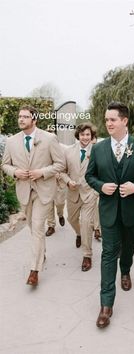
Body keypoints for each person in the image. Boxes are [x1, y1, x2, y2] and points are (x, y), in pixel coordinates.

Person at [85, 101, 134, 328]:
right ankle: (106, 304)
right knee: (108, 254)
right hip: (108, 211)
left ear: (124, 121)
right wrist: (100, 186)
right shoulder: (98, 148)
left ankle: (125, 270)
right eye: (106, 119)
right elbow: (90, 176)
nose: (108, 123)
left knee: (129, 246)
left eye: (112, 119)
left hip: (132, 212)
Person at [1, 105, 65, 286]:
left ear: (34, 120)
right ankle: (41, 252)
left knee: (37, 227)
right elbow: (5, 164)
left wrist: (42, 172)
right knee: (32, 226)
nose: (21, 119)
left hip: (44, 191)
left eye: (25, 117)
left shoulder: (49, 138)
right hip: (24, 191)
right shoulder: (11, 141)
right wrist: (15, 172)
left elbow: (60, 164)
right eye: (20, 116)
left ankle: (34, 270)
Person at [61, 122, 98, 271]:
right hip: (73, 193)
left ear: (92, 136)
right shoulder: (68, 152)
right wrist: (68, 181)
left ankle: (87, 255)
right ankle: (79, 234)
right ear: (78, 135)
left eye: (88, 134)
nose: (85, 137)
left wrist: (96, 190)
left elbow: (102, 172)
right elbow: (62, 171)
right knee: (72, 219)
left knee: (86, 223)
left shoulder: (97, 151)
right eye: (82, 134)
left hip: (90, 193)